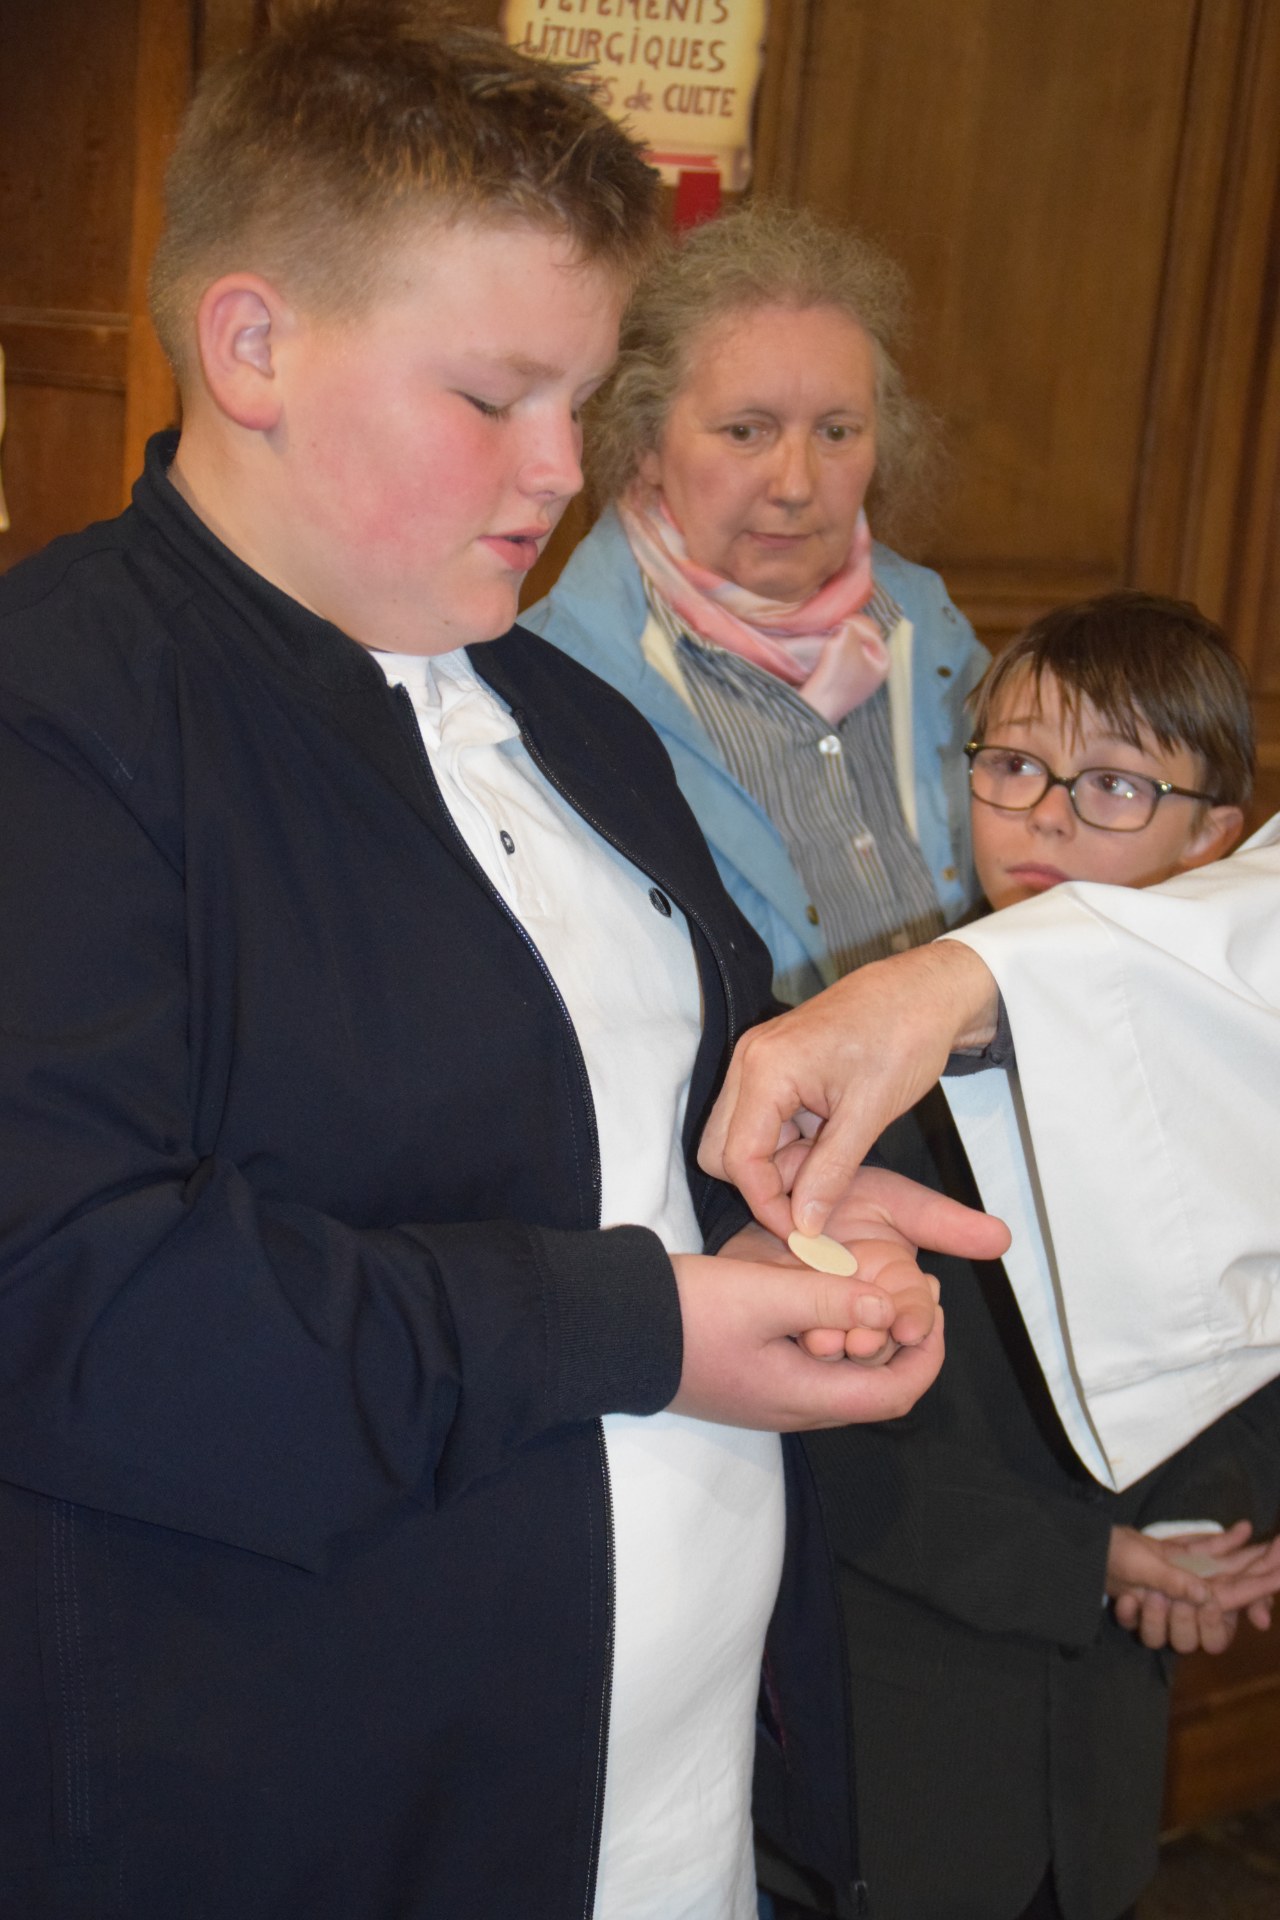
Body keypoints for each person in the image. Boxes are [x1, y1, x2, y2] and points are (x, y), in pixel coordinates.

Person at [0, 8, 1004, 1916]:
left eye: (591, 391)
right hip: (312, 1805)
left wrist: (765, 1200)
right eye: (492, 397)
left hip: (674, 1786)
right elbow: (71, 1306)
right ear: (254, 345)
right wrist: (642, 1325)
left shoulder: (567, 713)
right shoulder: (55, 719)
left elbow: (587, 1148)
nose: (562, 467)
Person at [759, 592, 1280, 1920]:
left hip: (1107, 1719)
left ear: (1216, 840)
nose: (1042, 813)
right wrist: (1084, 1562)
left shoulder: (1236, 1069)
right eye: (1011, 765)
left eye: (1111, 783)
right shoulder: (854, 1050)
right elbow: (807, 1434)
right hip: (910, 1718)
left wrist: (1215, 1544)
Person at [523, 203, 987, 1005]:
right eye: (746, 431)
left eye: (838, 432)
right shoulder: (549, 681)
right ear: (644, 443)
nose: (797, 485)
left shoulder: (931, 627)